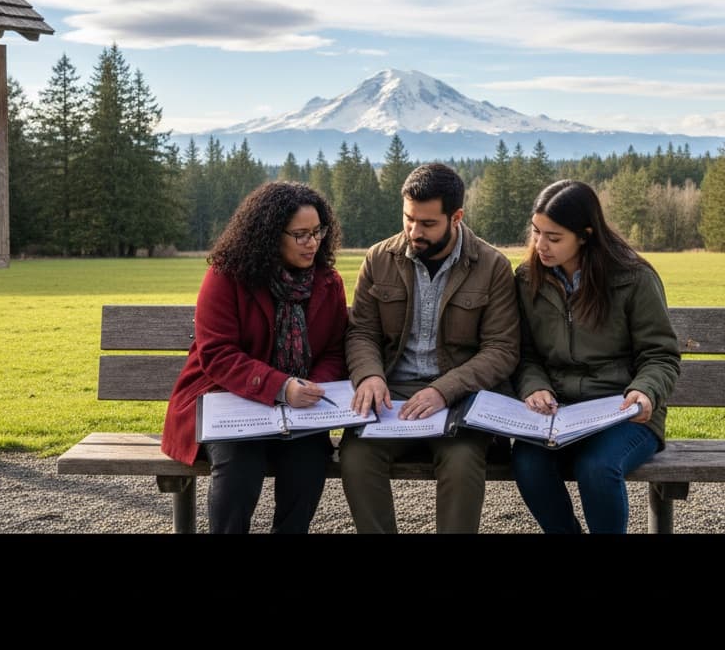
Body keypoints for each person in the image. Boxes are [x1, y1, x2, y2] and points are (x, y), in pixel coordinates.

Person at [341, 162, 520, 533]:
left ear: (456, 217)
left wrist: (444, 390)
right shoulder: (378, 259)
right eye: (408, 219)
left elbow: (501, 349)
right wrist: (369, 376)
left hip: (460, 397)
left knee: (462, 462)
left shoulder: (492, 266)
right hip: (391, 395)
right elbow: (361, 333)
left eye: (427, 223)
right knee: (356, 458)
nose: (413, 231)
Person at [161, 181, 349, 534]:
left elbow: (335, 350)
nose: (312, 242)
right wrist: (281, 386)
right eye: (300, 234)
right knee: (239, 466)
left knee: (309, 462)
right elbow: (216, 354)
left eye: (317, 232)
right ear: (269, 235)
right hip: (225, 397)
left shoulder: (328, 282)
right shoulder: (226, 276)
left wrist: (313, 385)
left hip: (298, 409)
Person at [511, 179, 681, 534]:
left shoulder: (633, 278)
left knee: (597, 468)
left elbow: (660, 354)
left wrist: (645, 391)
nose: (540, 245)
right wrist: (535, 386)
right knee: (527, 463)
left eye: (554, 237)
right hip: (557, 414)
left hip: (621, 413)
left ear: (585, 235)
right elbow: (524, 353)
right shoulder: (528, 279)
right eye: (536, 232)